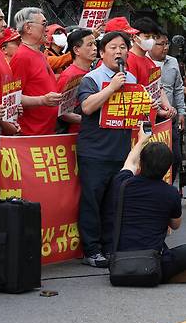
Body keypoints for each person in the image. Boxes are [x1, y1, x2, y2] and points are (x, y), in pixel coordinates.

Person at [76, 31, 138, 267]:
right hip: (95, 152)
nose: (119, 52)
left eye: (123, 47)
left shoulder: (130, 79)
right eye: (113, 47)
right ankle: (91, 250)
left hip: (121, 151)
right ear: (102, 53)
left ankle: (111, 247)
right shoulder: (91, 79)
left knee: (115, 202)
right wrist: (111, 87)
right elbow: (87, 107)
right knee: (92, 201)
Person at [110, 127, 186, 283]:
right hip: (153, 262)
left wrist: (142, 140)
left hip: (120, 261)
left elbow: (130, 161)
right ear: (167, 169)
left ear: (141, 163)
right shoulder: (170, 193)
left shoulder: (122, 183)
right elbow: (176, 224)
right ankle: (161, 277)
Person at [10, 7, 62, 135]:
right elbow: (12, 97)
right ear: (28, 28)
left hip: (44, 132)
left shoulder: (39, 54)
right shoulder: (22, 57)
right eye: (44, 24)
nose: (47, 29)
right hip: (30, 134)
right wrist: (42, 100)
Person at [148, 30, 186, 183]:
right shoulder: (144, 62)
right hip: (150, 118)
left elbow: (178, 88)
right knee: (152, 158)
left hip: (170, 117)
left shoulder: (173, 62)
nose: (165, 47)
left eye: (167, 43)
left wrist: (182, 112)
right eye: (160, 44)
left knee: (175, 157)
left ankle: (168, 186)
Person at [124, 17, 175, 119]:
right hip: (138, 119)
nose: (151, 40)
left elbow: (158, 88)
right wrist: (159, 112)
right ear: (135, 37)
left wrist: (168, 107)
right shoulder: (129, 60)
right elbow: (132, 93)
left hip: (152, 117)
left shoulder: (149, 61)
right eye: (147, 37)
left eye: (153, 37)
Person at [56, 28, 98, 133]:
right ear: (76, 50)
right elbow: (61, 112)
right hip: (75, 135)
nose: (95, 48)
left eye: (95, 44)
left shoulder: (93, 72)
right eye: (89, 45)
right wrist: (89, 120)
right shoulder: (69, 76)